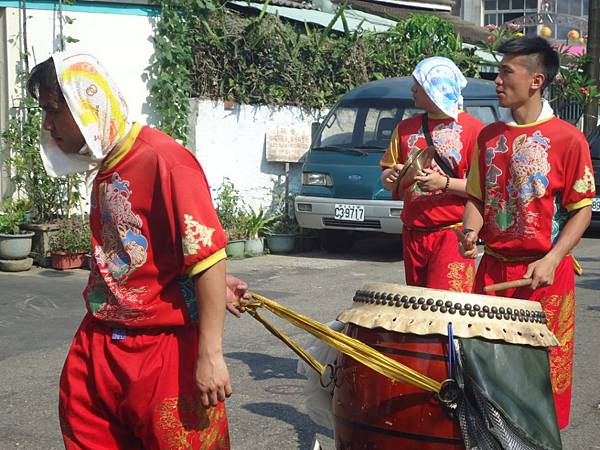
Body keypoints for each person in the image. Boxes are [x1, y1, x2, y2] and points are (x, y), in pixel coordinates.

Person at [27, 51, 249, 449]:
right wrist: (186, 283)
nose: (47, 125)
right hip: (98, 344)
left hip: (161, 351)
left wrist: (210, 356)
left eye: (53, 111)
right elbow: (152, 255)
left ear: (86, 104)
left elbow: (209, 257)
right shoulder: (109, 165)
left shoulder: (165, 161)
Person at [457, 37, 595, 429]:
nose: (497, 81)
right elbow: (477, 199)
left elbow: (581, 209)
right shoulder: (488, 138)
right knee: (488, 372)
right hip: (493, 273)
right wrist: (470, 231)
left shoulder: (568, 139)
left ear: (536, 80)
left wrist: (553, 258)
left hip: (544, 277)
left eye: (506, 72)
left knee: (542, 379)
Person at [380, 57, 484, 292]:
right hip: (413, 234)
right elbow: (387, 175)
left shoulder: (474, 131)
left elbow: (483, 190)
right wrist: (391, 176)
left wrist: (443, 183)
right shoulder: (404, 128)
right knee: (419, 309)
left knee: (447, 309)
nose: (413, 89)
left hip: (452, 233)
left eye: (419, 84)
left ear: (437, 88)